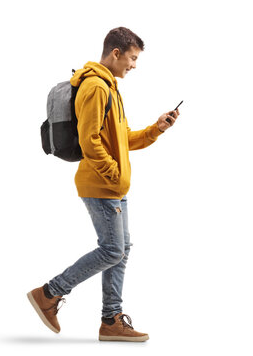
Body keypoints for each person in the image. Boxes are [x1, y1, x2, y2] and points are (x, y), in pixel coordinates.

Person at [27, 27, 179, 342]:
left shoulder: (110, 88)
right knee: (112, 249)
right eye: (132, 58)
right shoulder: (96, 86)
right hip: (101, 184)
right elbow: (89, 139)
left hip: (113, 185)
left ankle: (111, 319)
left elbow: (120, 139)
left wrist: (156, 129)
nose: (134, 65)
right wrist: (111, 172)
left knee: (120, 250)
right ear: (116, 53)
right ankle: (48, 293)